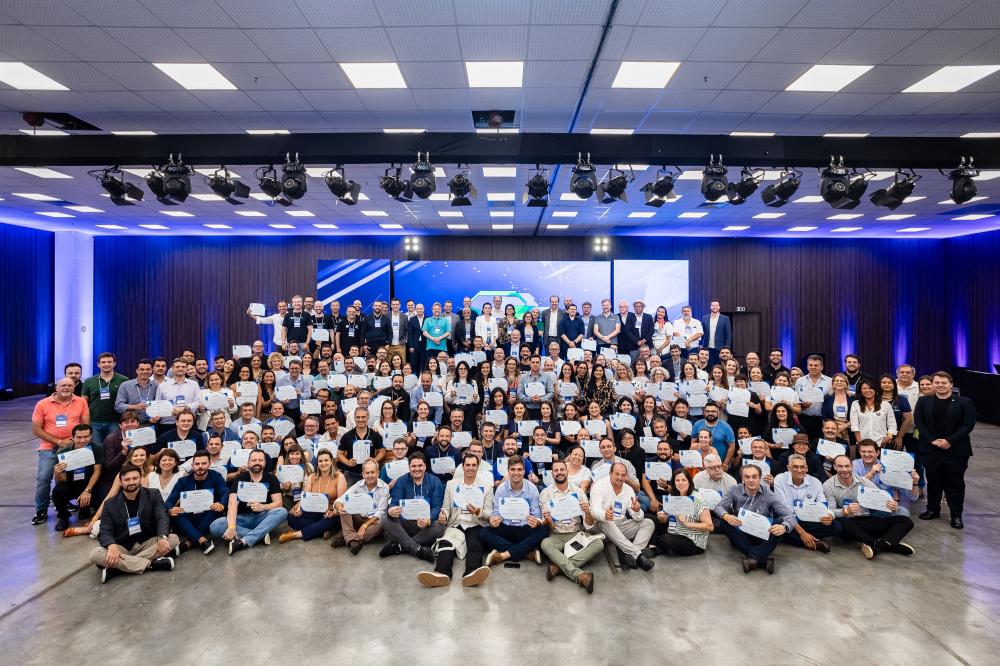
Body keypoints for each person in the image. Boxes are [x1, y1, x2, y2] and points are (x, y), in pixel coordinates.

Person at [89, 463, 180, 583]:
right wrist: (111, 546)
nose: (131, 482)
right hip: (123, 545)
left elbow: (161, 517)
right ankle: (151, 565)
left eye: (135, 478)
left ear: (141, 479)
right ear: (121, 482)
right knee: (95, 554)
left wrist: (162, 538)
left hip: (147, 541)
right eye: (127, 479)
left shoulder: (153, 494)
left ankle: (118, 568)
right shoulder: (110, 504)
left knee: (173, 538)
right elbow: (105, 529)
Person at [417, 452, 494, 588]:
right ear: (462, 467)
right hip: (456, 522)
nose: (470, 468)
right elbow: (445, 507)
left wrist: (478, 512)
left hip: (475, 523)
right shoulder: (451, 485)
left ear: (478, 467)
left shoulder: (487, 486)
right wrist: (444, 515)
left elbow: (490, 513)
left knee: (475, 545)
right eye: (467, 465)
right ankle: (441, 573)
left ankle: (471, 573)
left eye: (474, 465)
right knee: (445, 543)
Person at [914, 371, 977, 529]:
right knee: (933, 481)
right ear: (933, 384)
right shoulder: (923, 401)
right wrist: (931, 440)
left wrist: (950, 441)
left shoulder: (965, 402)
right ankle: (933, 510)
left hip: (956, 450)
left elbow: (967, 425)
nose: (940, 385)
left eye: (944, 383)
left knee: (954, 484)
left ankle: (956, 515)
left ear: (951, 384)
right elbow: (919, 421)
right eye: (937, 382)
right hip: (931, 448)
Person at [824, 455, 915, 559]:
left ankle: (879, 545)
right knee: (839, 522)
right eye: (840, 466)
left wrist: (891, 504)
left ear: (852, 466)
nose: (844, 470)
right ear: (834, 467)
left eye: (847, 466)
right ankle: (886, 544)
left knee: (906, 521)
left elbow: (881, 497)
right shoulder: (828, 486)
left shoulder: (863, 481)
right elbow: (830, 512)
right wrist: (845, 511)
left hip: (867, 520)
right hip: (849, 525)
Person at [714, 464, 795, 574]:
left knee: (780, 522)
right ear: (742, 478)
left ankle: (754, 557)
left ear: (759, 478)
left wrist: (784, 527)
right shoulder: (734, 490)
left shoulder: (769, 494)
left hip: (762, 534)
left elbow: (790, 515)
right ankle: (763, 559)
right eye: (747, 477)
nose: (751, 480)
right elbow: (719, 507)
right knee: (724, 521)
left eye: (754, 476)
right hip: (741, 532)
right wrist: (727, 516)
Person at [31, 377, 90, 525]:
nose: (66, 388)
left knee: (71, 477)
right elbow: (36, 430)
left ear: (74, 387)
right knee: (44, 478)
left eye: (70, 385)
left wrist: (75, 442)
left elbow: (85, 425)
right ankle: (41, 510)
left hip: (73, 447)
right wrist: (58, 441)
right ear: (56, 387)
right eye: (63, 385)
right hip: (49, 447)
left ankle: (63, 505)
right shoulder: (42, 404)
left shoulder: (80, 402)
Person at [210, 449, 288, 555]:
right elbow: (232, 504)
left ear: (265, 462)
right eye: (254, 460)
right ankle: (260, 536)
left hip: (262, 517)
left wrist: (263, 507)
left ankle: (243, 540)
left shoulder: (271, 478)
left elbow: (278, 503)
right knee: (216, 525)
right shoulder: (239, 478)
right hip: (241, 519)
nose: (257, 462)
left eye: (260, 460)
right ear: (248, 462)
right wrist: (232, 527)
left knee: (282, 511)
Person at [539, 459, 599, 593]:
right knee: (545, 544)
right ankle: (579, 575)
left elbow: (589, 524)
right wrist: (548, 521)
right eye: (556, 470)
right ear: (552, 474)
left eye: (562, 469)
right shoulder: (545, 494)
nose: (559, 472)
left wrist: (588, 512)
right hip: (557, 534)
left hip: (576, 532)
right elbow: (547, 524)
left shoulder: (578, 492)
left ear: (567, 472)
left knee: (599, 543)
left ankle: (559, 567)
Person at [481, 454, 547, 566]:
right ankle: (526, 552)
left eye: (519, 469)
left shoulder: (532, 488)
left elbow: (537, 515)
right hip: (505, 528)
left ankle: (503, 554)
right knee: (484, 532)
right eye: (513, 469)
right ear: (508, 471)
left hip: (525, 528)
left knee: (543, 530)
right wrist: (493, 522)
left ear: (524, 471)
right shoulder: (501, 488)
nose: (516, 473)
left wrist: (536, 521)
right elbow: (496, 513)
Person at [381, 452, 446, 561]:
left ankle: (401, 546)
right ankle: (417, 548)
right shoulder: (401, 480)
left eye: (420, 465)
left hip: (425, 526)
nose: (417, 469)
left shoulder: (435, 481)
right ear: (409, 467)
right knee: (385, 518)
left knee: (440, 527)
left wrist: (428, 520)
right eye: (413, 466)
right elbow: (395, 501)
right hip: (405, 523)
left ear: (425, 466)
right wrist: (391, 509)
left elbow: (436, 507)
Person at [589, 462, 655, 570]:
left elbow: (638, 518)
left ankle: (632, 553)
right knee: (607, 521)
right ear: (610, 473)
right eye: (617, 474)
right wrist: (605, 514)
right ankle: (638, 555)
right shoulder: (599, 486)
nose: (620, 477)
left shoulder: (628, 490)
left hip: (621, 526)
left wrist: (637, 510)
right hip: (601, 528)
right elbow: (594, 509)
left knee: (648, 523)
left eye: (623, 475)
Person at [165, 450, 229, 554]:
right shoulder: (183, 481)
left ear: (209, 464)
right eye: (197, 464)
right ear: (192, 465)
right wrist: (170, 510)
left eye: (204, 463)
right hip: (189, 517)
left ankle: (189, 542)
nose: (200, 466)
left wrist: (222, 504)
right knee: (176, 515)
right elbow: (169, 501)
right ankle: (202, 540)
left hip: (208, 515)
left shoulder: (216, 477)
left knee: (215, 510)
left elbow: (225, 492)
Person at [773, 453, 841, 553]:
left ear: (807, 468)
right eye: (795, 467)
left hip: (809, 519)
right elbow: (784, 511)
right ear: (788, 468)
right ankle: (814, 543)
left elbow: (823, 505)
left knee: (836, 526)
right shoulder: (779, 479)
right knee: (778, 524)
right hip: (788, 519)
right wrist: (802, 533)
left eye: (802, 467)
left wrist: (829, 516)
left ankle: (798, 539)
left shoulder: (815, 482)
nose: (799, 470)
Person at [279, 449, 347, 543]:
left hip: (331, 512)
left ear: (331, 461)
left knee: (332, 520)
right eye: (320, 461)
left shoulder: (339, 476)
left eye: (326, 460)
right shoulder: (312, 476)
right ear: (317, 463)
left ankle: (295, 535)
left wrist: (333, 512)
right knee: (291, 518)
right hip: (314, 510)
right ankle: (325, 529)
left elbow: (341, 501)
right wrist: (299, 509)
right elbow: (305, 498)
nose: (323, 463)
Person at [52, 424, 105, 531]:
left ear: (91, 436)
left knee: (101, 499)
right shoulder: (63, 452)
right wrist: (57, 473)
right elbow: (63, 480)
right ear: (72, 437)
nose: (82, 440)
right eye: (79, 437)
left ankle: (85, 508)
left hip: (90, 483)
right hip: (71, 483)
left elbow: (97, 471)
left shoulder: (97, 448)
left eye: (86, 436)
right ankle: (63, 517)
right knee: (57, 491)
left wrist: (87, 490)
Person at [652, 468, 713, 556]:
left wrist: (687, 523)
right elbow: (664, 520)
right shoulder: (672, 495)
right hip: (675, 532)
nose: (680, 483)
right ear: (674, 482)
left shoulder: (697, 499)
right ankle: (655, 546)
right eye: (677, 480)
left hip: (692, 540)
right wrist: (662, 518)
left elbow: (710, 526)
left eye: (684, 480)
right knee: (652, 520)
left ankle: (656, 545)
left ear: (689, 482)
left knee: (665, 540)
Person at [335, 458, 389, 554]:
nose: (370, 475)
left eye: (373, 472)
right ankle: (354, 540)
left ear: (378, 473)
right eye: (367, 473)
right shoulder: (358, 485)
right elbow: (340, 500)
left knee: (383, 522)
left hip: (374, 521)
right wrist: (339, 507)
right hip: (359, 517)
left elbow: (381, 512)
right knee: (345, 509)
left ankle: (347, 538)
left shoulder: (384, 487)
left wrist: (364, 526)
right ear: (363, 474)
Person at [80, 352, 129, 444]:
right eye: (103, 362)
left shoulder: (124, 380)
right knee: (97, 449)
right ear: (98, 364)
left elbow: (127, 400)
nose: (106, 364)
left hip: (115, 421)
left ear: (114, 363)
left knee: (113, 447)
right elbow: (83, 403)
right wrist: (85, 423)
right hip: (94, 422)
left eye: (109, 362)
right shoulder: (89, 381)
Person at [795, 354, 831, 439]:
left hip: (822, 420)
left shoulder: (830, 381)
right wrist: (802, 404)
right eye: (810, 365)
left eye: (816, 365)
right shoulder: (800, 381)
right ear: (807, 366)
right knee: (804, 444)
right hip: (804, 419)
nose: (813, 367)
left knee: (819, 446)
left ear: (821, 367)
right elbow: (796, 400)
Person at [114, 358, 156, 425]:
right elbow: (118, 406)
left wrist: (156, 416)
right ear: (137, 370)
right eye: (142, 369)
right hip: (131, 424)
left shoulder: (156, 386)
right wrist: (135, 406)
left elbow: (159, 406)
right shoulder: (125, 385)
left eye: (148, 369)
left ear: (152, 370)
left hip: (150, 423)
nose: (145, 372)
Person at [699, 300, 731, 366]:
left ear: (719, 307)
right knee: (709, 365)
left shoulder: (725, 318)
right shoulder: (705, 318)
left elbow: (728, 334)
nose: (715, 307)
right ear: (710, 307)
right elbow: (701, 332)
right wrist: (700, 344)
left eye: (716, 305)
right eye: (713, 305)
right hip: (707, 347)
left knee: (720, 366)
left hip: (720, 348)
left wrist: (727, 348)